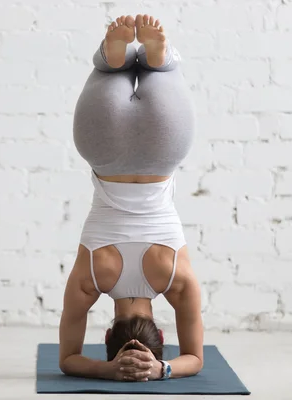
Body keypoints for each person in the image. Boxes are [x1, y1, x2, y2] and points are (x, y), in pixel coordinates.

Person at [58, 14, 202, 382]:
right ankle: (114, 59)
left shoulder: (177, 279)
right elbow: (69, 360)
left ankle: (159, 59)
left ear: (162, 336)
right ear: (106, 335)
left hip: (163, 145)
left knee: (163, 73)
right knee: (110, 71)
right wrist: (108, 370)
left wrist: (162, 368)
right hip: (104, 145)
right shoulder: (92, 278)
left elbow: (195, 359)